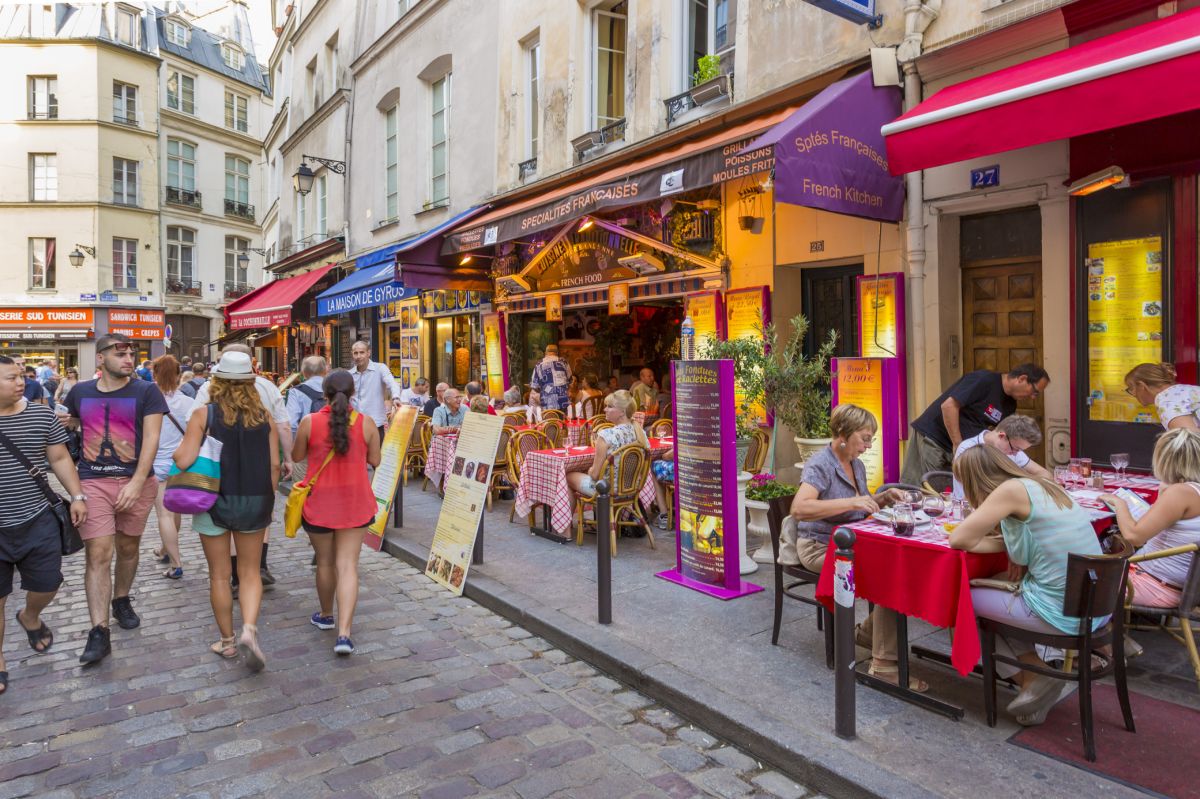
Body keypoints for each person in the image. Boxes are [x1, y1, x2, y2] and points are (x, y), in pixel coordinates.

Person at [949, 444, 1103, 726]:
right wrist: (1000, 541)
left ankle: (1031, 676)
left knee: (960, 599)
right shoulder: (1039, 484)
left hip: (1062, 613)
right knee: (997, 587)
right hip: (1095, 605)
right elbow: (1020, 554)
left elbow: (959, 539)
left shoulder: (1008, 493)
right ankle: (1033, 680)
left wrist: (986, 535)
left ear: (974, 480)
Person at [784, 404, 918, 690]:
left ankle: (870, 635)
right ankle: (883, 664)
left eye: (871, 440)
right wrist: (854, 502)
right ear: (844, 433)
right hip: (819, 546)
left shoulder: (855, 463)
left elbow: (862, 504)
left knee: (898, 569)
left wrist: (883, 498)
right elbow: (800, 508)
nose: (868, 446)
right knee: (888, 576)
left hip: (852, 543)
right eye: (865, 438)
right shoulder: (821, 463)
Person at [61, 333, 167, 665]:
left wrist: (137, 482)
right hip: (93, 480)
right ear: (101, 358)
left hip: (137, 480)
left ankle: (121, 598)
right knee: (99, 552)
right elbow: (73, 423)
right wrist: (72, 421)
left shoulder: (146, 391)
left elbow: (152, 439)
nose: (128, 358)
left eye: (131, 353)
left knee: (128, 547)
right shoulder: (80, 392)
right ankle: (99, 631)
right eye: (120, 353)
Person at [174, 350, 278, 671]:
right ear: (251, 382)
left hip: (213, 500)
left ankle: (228, 642)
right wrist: (268, 499)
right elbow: (274, 463)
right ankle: (249, 629)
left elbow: (182, 460)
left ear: (217, 381)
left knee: (219, 575)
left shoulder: (204, 415)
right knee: (249, 572)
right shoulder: (264, 415)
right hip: (254, 499)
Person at [0, 355, 88, 696]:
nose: (20, 382)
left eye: (20, 376)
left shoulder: (40, 415)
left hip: (37, 518)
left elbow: (59, 457)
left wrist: (77, 496)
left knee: (48, 583)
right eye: (11, 378)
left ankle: (31, 616)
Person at [292, 370, 380, 656]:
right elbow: (375, 460)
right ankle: (344, 634)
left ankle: (326, 614)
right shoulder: (366, 423)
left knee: (325, 563)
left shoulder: (310, 421)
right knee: (348, 566)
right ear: (353, 393)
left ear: (324, 393)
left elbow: (295, 456)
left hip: (319, 504)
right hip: (355, 503)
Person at [191, 344, 292, 586]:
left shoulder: (207, 390)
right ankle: (259, 565)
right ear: (252, 365)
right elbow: (283, 425)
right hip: (257, 471)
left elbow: (192, 431)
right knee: (257, 518)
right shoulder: (268, 387)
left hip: (218, 476)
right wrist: (288, 459)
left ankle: (236, 574)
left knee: (220, 565)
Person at [901, 364, 1049, 485]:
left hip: (960, 449)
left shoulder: (1009, 405)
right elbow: (948, 406)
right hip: (934, 437)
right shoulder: (984, 380)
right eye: (1034, 391)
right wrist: (958, 444)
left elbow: (996, 436)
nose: (1033, 397)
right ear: (1022, 379)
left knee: (947, 491)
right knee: (922, 488)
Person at [1101, 428, 1200, 609]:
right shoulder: (1190, 490)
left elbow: (1134, 536)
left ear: (1164, 459)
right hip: (1184, 586)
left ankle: (1094, 633)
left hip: (1153, 585)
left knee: (1074, 580)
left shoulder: (1180, 493)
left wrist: (1119, 503)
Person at [150, 355, 194, 580]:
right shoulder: (187, 402)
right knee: (174, 511)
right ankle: (165, 549)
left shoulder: (147, 400)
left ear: (154, 374)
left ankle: (176, 563)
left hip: (157, 463)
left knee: (165, 514)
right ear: (178, 376)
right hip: (181, 462)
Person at [567, 390, 648, 500]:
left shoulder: (606, 435)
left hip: (606, 491)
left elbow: (595, 475)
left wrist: (589, 470)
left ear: (622, 412)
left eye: (609, 406)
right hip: (632, 489)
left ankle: (568, 517)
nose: (605, 409)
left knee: (567, 476)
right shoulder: (641, 433)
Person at [951, 414, 1050, 500]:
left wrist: (1029, 487)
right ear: (1002, 436)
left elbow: (1044, 474)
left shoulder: (1011, 450)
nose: (1016, 454)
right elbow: (979, 493)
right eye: (1016, 448)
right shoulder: (968, 449)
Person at [349, 340, 401, 439]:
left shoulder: (380, 368)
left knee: (376, 454)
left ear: (368, 353)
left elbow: (392, 383)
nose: (358, 356)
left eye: (362, 352)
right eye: (356, 353)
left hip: (375, 423)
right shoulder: (349, 374)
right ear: (352, 354)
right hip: (355, 423)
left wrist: (396, 397)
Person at [1124, 362, 1200, 430]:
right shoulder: (1186, 389)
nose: (1133, 394)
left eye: (1131, 388)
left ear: (1141, 385)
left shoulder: (1168, 403)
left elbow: (1190, 440)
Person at [287, 356, 328, 435]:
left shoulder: (296, 391)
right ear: (325, 371)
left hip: (310, 441)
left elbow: (292, 424)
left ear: (304, 373)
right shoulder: (335, 387)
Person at [530, 344, 571, 412]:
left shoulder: (538, 365)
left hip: (547, 402)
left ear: (545, 353)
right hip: (563, 401)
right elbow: (570, 380)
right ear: (557, 353)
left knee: (549, 422)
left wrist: (545, 390)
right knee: (562, 422)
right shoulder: (563, 362)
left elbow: (535, 387)